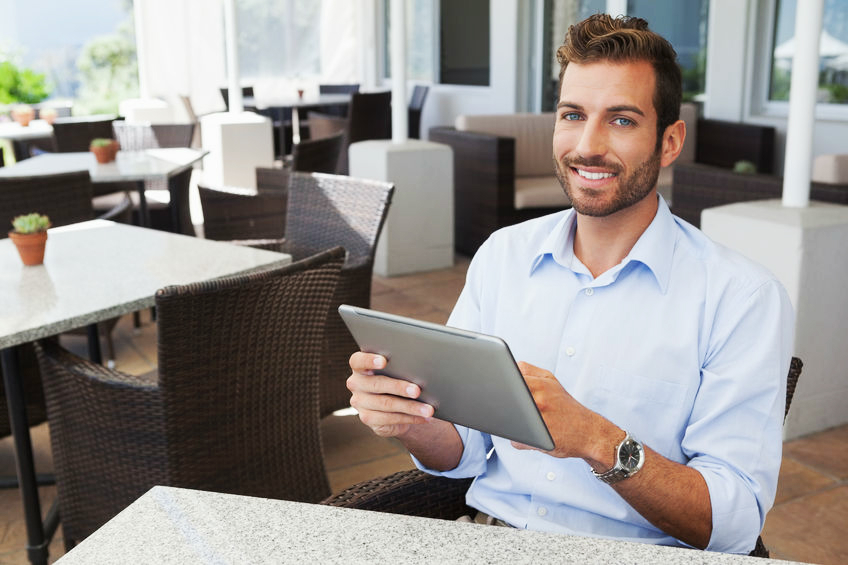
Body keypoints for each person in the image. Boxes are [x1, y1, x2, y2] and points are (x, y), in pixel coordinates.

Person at [347, 14, 794, 554]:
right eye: (573, 114)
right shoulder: (503, 257)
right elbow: (462, 451)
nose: (587, 145)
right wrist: (409, 418)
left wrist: (596, 440)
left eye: (622, 120)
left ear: (670, 141)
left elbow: (734, 523)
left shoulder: (742, 298)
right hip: (489, 539)